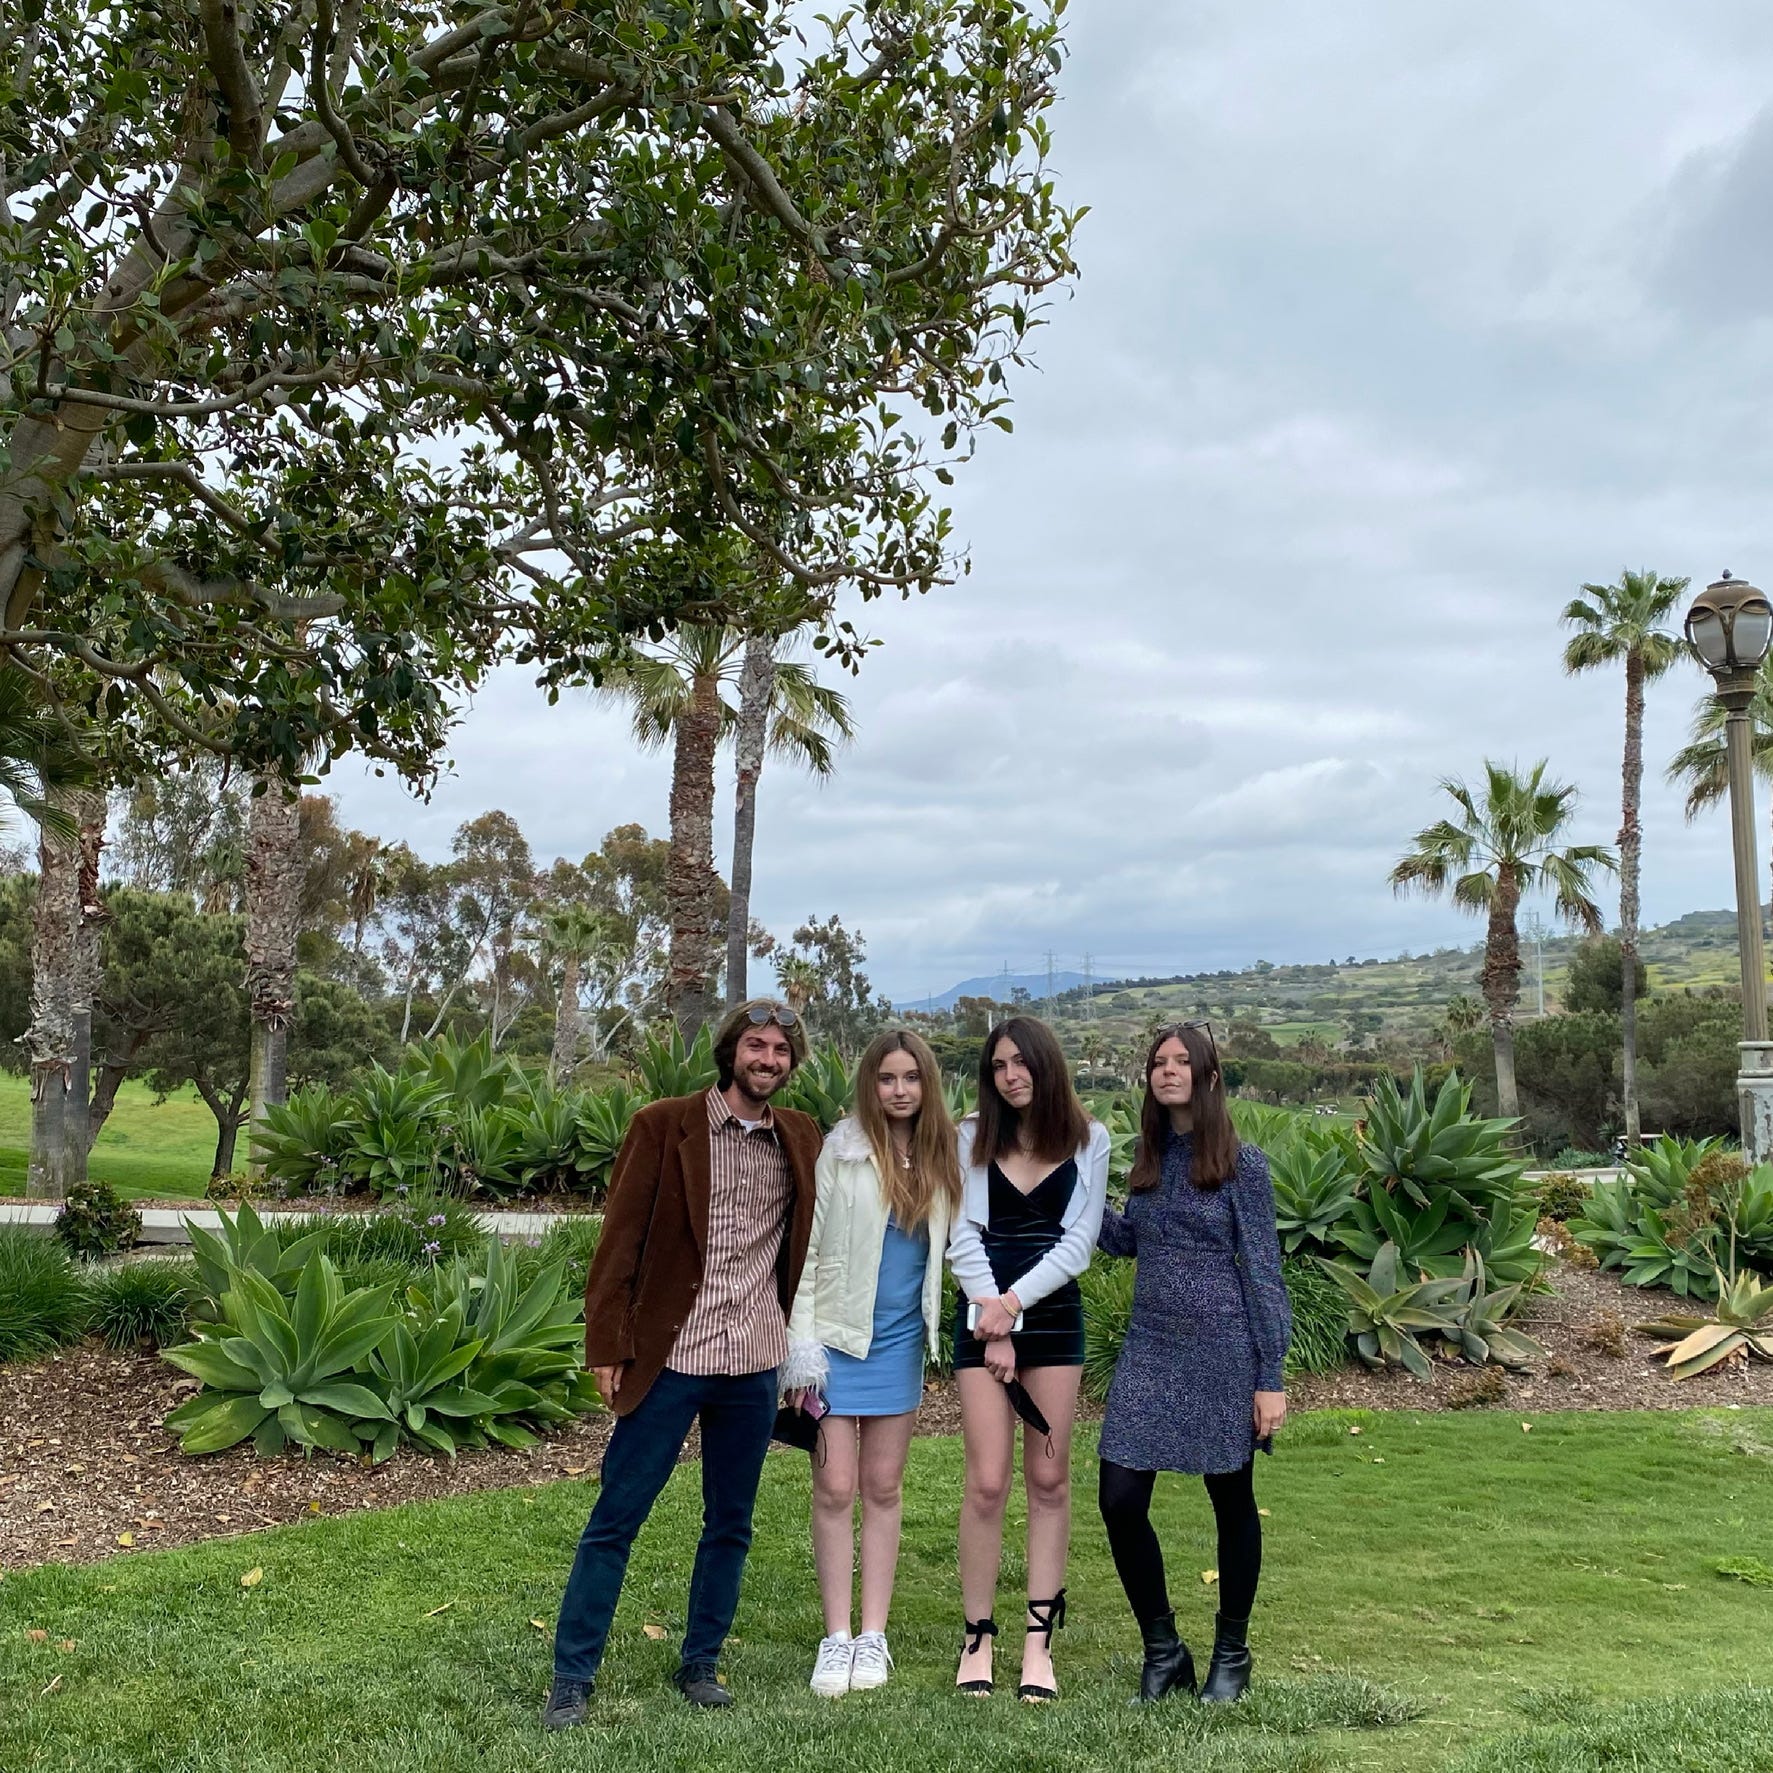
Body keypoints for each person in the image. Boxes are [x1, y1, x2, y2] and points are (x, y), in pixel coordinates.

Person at [541, 1000, 822, 1729]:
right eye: (756, 1045)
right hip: (672, 1356)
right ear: (731, 1051)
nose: (767, 1059)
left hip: (755, 1360)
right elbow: (619, 1240)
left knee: (730, 1522)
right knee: (616, 1517)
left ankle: (701, 1662)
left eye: (780, 1050)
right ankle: (572, 1676)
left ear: (791, 1063)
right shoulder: (664, 1125)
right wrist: (608, 1343)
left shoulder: (800, 1136)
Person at [1095, 1022, 1290, 1706]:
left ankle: (1231, 1655)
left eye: (1182, 1061)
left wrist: (1270, 1376)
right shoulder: (1148, 1159)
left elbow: (1262, 1271)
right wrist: (1080, 1196)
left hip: (1223, 1351)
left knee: (1230, 1500)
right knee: (1119, 1499)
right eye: (1158, 1061)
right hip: (1149, 1346)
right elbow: (1129, 1241)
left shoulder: (1242, 1164)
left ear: (1208, 1077)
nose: (1168, 1070)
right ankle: (1164, 1651)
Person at [778, 1028, 963, 1697]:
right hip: (834, 1343)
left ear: (926, 1083)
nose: (899, 1090)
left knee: (882, 1486)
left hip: (899, 1344)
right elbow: (809, 1250)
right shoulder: (842, 1150)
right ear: (869, 1084)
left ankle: (872, 1634)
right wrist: (800, 1351)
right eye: (887, 1078)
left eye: (911, 1077)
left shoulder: (944, 1153)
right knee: (834, 1488)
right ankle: (836, 1636)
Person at [947, 1016, 1109, 1703]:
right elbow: (959, 1233)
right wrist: (992, 1314)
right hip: (980, 1315)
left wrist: (1013, 1305)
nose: (1010, 1076)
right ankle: (977, 1637)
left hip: (1049, 1317)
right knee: (987, 1483)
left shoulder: (1089, 1138)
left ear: (1046, 1064)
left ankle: (1038, 1645)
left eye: (1021, 1062)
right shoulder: (968, 1136)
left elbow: (1079, 1242)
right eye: (998, 1065)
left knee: (1049, 1480)